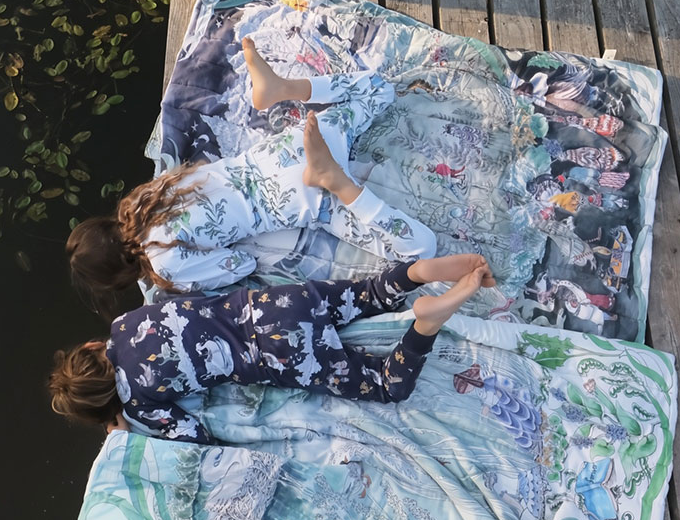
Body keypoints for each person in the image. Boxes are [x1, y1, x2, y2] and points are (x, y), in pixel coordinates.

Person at [67, 37, 438, 313]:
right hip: (283, 151)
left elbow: (239, 266)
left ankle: (337, 181)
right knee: (377, 90)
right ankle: (283, 89)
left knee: (422, 251)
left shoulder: (168, 267)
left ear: (120, 276)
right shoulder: (142, 198)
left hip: (300, 197)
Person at [48, 254, 494, 445]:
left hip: (280, 353)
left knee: (386, 386)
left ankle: (425, 324)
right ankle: (417, 273)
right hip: (273, 304)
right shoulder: (124, 322)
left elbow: (194, 437)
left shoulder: (140, 404)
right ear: (91, 347)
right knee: (366, 292)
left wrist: (127, 428)